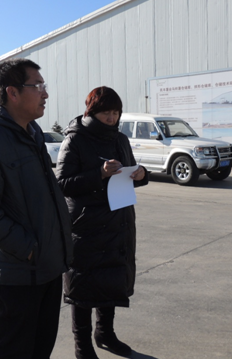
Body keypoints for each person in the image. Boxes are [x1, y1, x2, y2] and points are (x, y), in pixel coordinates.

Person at [0, 58, 73, 359]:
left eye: (44, 86)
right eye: (37, 86)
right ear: (12, 92)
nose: (45, 93)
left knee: (41, 349)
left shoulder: (32, 134)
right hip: (21, 273)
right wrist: (29, 248)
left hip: (49, 267)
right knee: (15, 351)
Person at [55, 86, 148, 359]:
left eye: (116, 112)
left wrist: (141, 174)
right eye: (106, 112)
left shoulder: (120, 139)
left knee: (111, 280)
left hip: (119, 221)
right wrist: (99, 173)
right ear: (92, 111)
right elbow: (62, 183)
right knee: (83, 286)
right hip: (87, 226)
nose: (112, 117)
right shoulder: (75, 139)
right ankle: (82, 345)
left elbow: (130, 172)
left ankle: (105, 334)